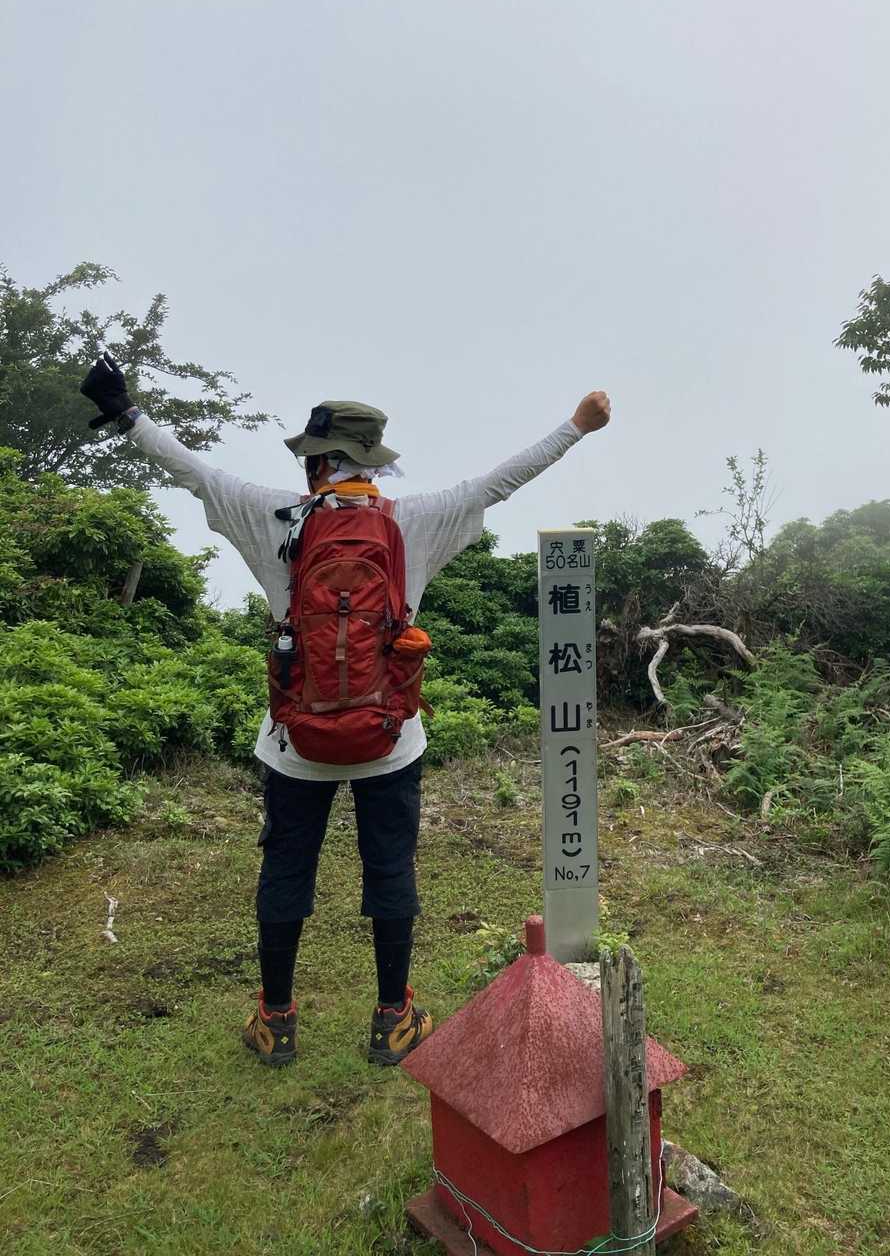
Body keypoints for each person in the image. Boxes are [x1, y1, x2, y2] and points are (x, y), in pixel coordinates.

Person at [79, 354, 611, 1067]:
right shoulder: (414, 520)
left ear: (317, 462)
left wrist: (127, 414)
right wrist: (576, 426)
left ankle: (276, 1020)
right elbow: (500, 481)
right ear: (370, 463)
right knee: (389, 868)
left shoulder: (271, 515)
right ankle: (393, 1019)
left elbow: (193, 471)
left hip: (294, 744)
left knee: (286, 871)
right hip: (391, 739)